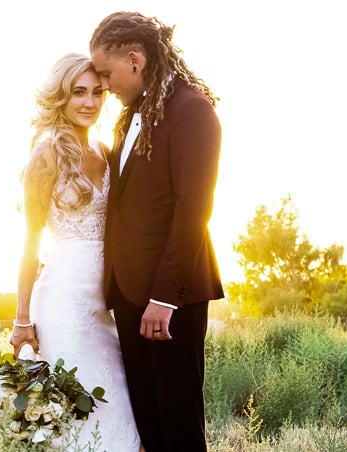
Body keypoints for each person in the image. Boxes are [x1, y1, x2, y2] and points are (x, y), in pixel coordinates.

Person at [89, 11, 224, 452]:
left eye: (106, 74)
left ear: (134, 59)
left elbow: (193, 210)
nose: (104, 86)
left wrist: (164, 299)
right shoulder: (129, 116)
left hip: (170, 300)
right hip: (128, 294)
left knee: (179, 426)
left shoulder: (192, 110)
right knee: (148, 425)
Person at [10, 52, 141, 451]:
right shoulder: (45, 154)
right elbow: (31, 240)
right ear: (60, 98)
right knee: (76, 410)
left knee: (118, 403)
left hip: (106, 302)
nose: (89, 102)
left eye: (97, 93)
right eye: (78, 92)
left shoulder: (106, 151)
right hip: (63, 301)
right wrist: (21, 319)